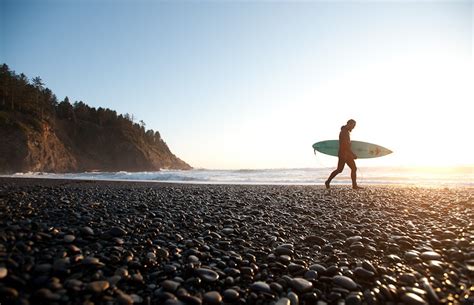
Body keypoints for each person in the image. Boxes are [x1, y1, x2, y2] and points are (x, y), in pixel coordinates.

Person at [325, 119, 362, 189]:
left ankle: (354, 185)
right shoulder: (344, 132)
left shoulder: (346, 131)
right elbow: (345, 145)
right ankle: (327, 181)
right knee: (340, 170)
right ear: (348, 124)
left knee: (353, 168)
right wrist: (353, 154)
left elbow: (347, 145)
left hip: (346, 154)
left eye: (354, 126)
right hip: (343, 154)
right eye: (353, 126)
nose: (353, 127)